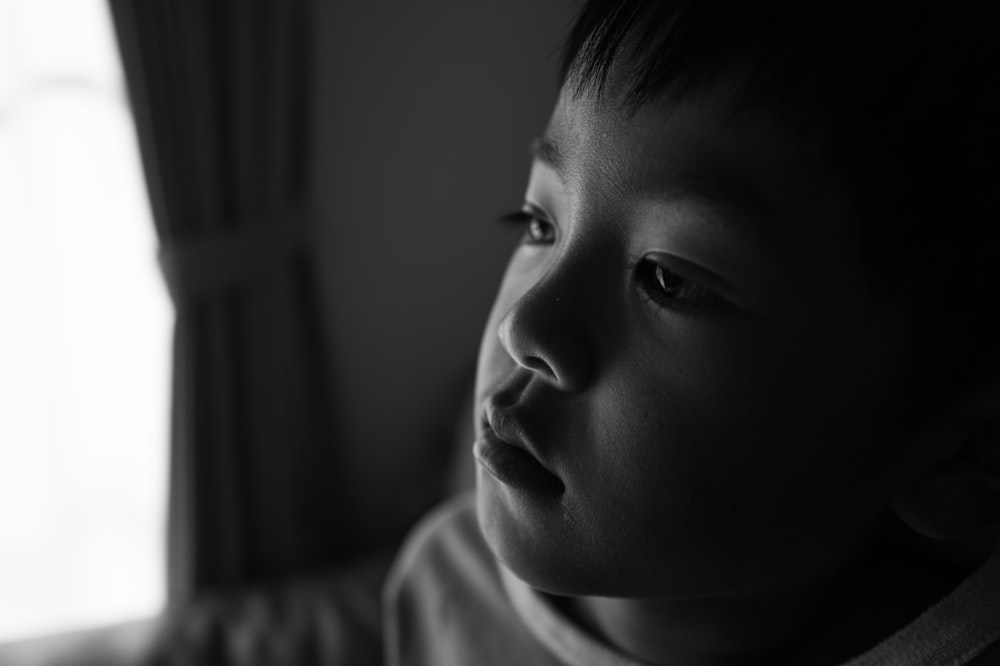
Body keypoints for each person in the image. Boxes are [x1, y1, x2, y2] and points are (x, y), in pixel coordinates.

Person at [383, 1, 1000, 664]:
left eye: (669, 279)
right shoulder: (443, 589)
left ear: (953, 456)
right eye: (539, 224)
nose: (522, 325)